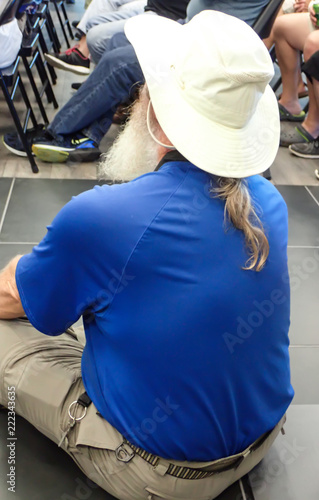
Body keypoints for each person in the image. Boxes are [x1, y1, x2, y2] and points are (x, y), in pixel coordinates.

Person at [0, 11, 293, 500]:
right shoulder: (271, 203)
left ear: (155, 106)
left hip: (161, 474)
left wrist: (23, 279)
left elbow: (18, 302)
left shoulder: (101, 217)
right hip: (261, 438)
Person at [2, 0, 270, 164]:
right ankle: (85, 136)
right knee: (120, 41)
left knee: (119, 64)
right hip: (191, 33)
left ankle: (59, 134)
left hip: (207, 53)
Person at [44, 0, 147, 74]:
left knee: (96, 33)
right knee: (102, 2)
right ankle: (82, 53)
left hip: (158, 12)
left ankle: (94, 73)